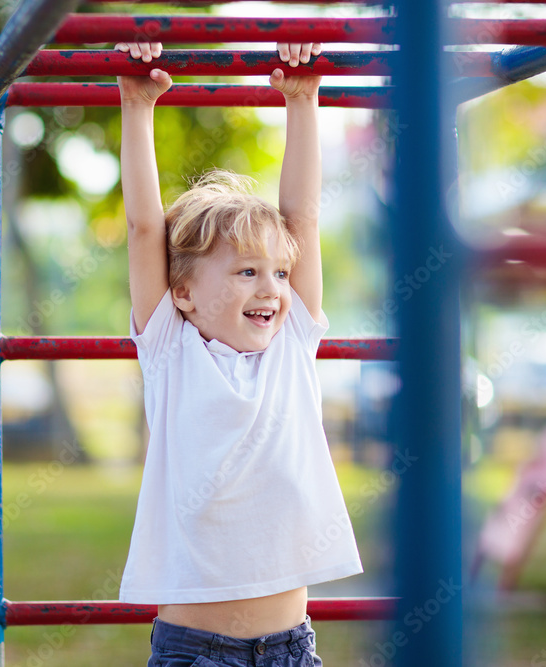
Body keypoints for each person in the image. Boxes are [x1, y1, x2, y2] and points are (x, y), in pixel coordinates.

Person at [116, 40, 364, 667]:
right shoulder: (172, 351)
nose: (270, 290)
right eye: (246, 272)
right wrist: (137, 104)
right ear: (184, 294)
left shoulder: (292, 346)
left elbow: (302, 220)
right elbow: (146, 228)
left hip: (289, 647)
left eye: (279, 274)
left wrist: (302, 101)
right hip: (196, 651)